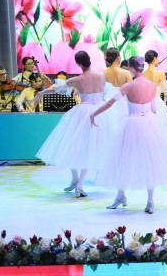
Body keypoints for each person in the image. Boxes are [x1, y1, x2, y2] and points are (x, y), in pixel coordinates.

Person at [91, 56, 167, 214]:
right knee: (150, 161)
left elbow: (110, 102)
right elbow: (154, 109)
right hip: (150, 123)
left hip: (132, 124)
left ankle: (121, 196)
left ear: (132, 69)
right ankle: (150, 201)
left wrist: (94, 114)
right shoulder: (151, 85)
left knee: (123, 159)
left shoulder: (128, 86)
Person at [34, 51, 110, 197]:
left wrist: (40, 93)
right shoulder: (101, 76)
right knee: (81, 147)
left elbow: (55, 89)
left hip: (85, 112)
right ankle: (76, 182)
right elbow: (104, 93)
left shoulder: (78, 79)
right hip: (99, 112)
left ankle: (78, 184)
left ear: (78, 64)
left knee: (78, 146)